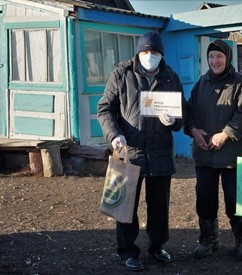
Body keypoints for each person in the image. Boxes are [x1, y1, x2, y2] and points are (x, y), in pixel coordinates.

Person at [97, 31, 185, 271]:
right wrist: (114, 134)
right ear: (138, 52)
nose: (150, 56)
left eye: (154, 52)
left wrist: (173, 121)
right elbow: (105, 109)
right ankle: (128, 251)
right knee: (125, 206)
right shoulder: (121, 74)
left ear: (161, 54)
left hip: (160, 153)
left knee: (159, 206)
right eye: (145, 52)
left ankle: (157, 246)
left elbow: (181, 114)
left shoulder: (171, 77)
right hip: (129, 152)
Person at [184, 40, 242, 261]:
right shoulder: (201, 84)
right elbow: (189, 112)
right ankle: (208, 239)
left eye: (219, 57)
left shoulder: (240, 83)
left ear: (228, 58)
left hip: (233, 154)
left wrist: (225, 134)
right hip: (205, 153)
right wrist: (194, 130)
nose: (215, 61)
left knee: (235, 200)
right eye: (211, 57)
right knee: (205, 198)